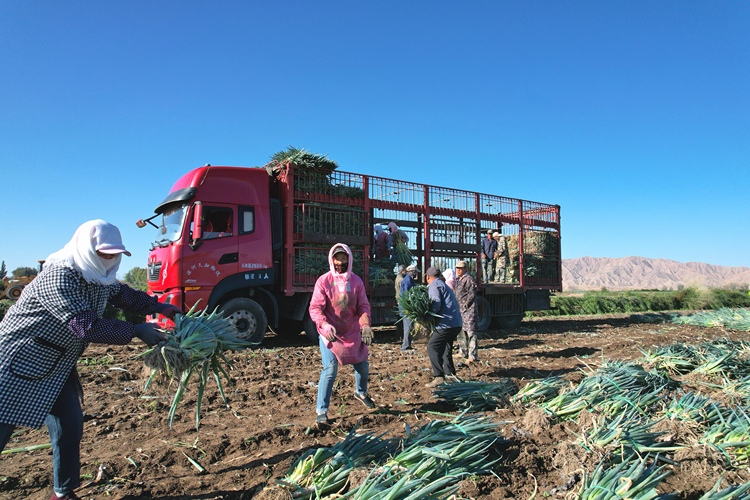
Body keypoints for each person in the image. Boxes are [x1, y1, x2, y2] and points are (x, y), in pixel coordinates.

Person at [0, 220, 181, 500]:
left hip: (55, 364)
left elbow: (125, 295)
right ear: (86, 249)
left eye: (114, 254)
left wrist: (159, 306)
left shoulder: (99, 276)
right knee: (2, 426)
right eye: (104, 253)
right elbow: (86, 326)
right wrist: (135, 331)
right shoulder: (59, 276)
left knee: (69, 425)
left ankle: (63, 492)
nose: (110, 259)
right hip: (18, 361)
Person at [309, 243, 375, 425]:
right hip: (330, 333)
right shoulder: (324, 281)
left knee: (362, 367)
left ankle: (360, 393)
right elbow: (315, 307)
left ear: (349, 259)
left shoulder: (356, 282)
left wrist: (365, 324)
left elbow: (363, 306)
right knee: (330, 369)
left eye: (343, 258)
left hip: (352, 332)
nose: (340, 262)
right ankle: (321, 411)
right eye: (337, 258)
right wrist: (324, 324)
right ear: (331, 260)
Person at [423, 266, 463, 388]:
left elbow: (436, 302)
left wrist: (428, 317)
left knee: (432, 346)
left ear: (428, 277)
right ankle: (450, 374)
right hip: (456, 323)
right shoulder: (444, 285)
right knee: (446, 347)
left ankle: (438, 376)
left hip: (446, 324)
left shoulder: (434, 285)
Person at [453, 260, 479, 364]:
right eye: (457, 268)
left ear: (465, 269)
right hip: (460, 311)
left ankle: (472, 355)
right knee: (461, 332)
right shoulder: (459, 280)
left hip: (469, 311)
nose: (458, 270)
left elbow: (472, 294)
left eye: (460, 268)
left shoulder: (468, 279)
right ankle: (462, 352)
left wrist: (466, 305)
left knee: (471, 332)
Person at [399, 264, 419, 352]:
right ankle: (405, 347)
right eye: (415, 272)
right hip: (407, 309)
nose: (416, 274)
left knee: (410, 327)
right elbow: (407, 295)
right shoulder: (407, 281)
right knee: (408, 327)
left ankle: (408, 345)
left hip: (408, 308)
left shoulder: (409, 280)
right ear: (412, 272)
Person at [394, 265, 407, 339]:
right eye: (405, 271)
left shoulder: (399, 278)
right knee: (401, 319)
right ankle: (401, 335)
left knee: (399, 319)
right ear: (401, 271)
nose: (406, 272)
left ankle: (399, 335)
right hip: (401, 301)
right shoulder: (401, 279)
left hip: (399, 300)